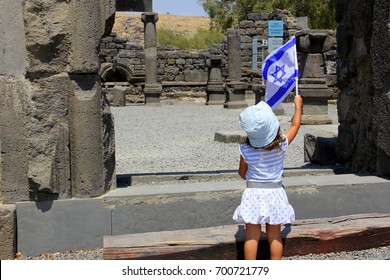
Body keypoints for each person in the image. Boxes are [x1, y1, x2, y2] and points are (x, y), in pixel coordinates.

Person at [232, 95, 303, 260]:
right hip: (275, 194)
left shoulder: (245, 149)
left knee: (251, 237)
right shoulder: (281, 145)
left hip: (253, 195)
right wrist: (298, 106)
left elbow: (242, 174)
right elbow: (295, 125)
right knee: (275, 236)